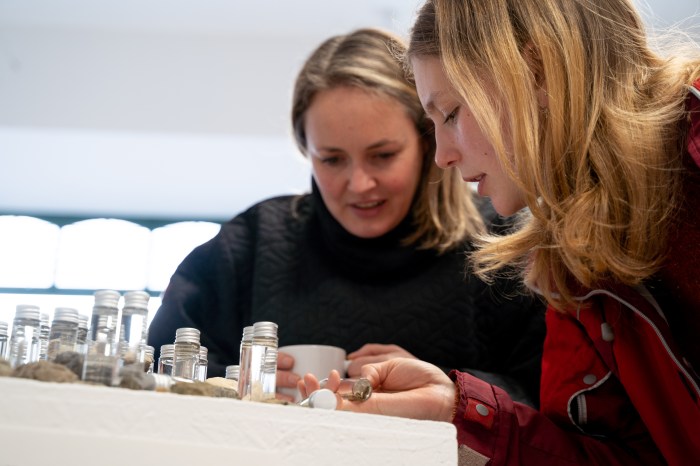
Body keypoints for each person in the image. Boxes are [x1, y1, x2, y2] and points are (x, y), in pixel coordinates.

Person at [299, 1, 700, 465]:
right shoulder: (569, 262)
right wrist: (457, 412)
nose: (442, 157)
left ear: (539, 71)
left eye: (450, 114)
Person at [147, 28, 546, 403]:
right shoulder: (251, 245)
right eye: (332, 159)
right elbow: (155, 371)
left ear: (428, 143)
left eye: (383, 156)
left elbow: (556, 409)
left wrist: (448, 387)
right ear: (307, 151)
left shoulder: (504, 244)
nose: (359, 184)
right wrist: (240, 385)